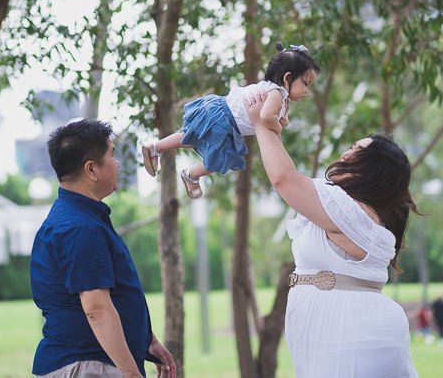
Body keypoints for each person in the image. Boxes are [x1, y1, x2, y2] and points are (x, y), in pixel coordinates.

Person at [245, 91, 419, 377]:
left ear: (372, 169)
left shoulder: (351, 212)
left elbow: (284, 178)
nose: (345, 153)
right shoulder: (345, 208)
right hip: (335, 329)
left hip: (349, 331)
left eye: (356, 150)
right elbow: (290, 174)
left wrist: (261, 125)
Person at [30, 119, 176, 378]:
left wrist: (146, 339)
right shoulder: (78, 228)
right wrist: (131, 374)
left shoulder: (82, 218)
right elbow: (96, 308)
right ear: (91, 169)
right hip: (86, 366)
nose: (117, 163)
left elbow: (113, 294)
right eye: (111, 155)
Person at [141, 42, 319, 199]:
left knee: (189, 136)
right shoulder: (277, 94)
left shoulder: (275, 93)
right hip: (227, 124)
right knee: (222, 160)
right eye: (306, 83)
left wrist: (282, 120)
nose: (307, 91)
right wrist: (278, 128)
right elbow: (265, 117)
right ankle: (191, 174)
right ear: (287, 78)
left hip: (218, 107)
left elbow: (276, 117)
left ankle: (155, 147)